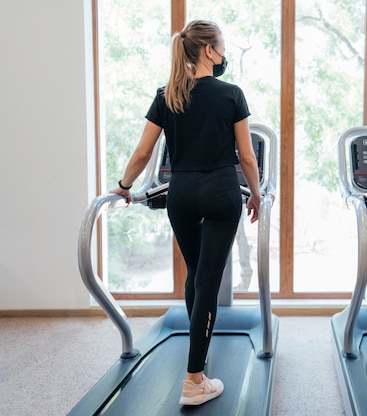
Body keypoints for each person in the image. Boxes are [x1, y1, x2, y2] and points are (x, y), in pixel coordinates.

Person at [110, 20, 261, 406]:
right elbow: (246, 155)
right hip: (221, 190)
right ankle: (194, 380)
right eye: (222, 47)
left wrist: (124, 186)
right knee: (208, 280)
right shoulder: (232, 94)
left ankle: (200, 358)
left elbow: (143, 153)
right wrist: (257, 194)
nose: (224, 53)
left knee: (196, 274)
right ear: (209, 51)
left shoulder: (167, 95)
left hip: (180, 194)